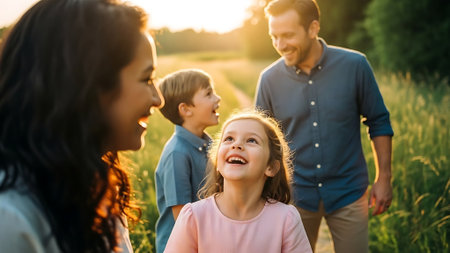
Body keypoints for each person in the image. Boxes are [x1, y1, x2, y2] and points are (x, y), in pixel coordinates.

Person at [0, 0, 163, 252]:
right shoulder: (11, 220)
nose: (158, 99)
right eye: (147, 78)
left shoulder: (96, 188)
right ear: (88, 87)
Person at [255, 0, 394, 252]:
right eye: (274, 36)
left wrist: (384, 178)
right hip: (293, 198)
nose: (279, 45)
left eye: (287, 35)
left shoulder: (355, 66)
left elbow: (379, 122)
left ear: (313, 28)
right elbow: (259, 140)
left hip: (349, 193)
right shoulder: (268, 80)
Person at [164, 110, 312, 253]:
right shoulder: (194, 217)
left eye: (251, 140)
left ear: (271, 167)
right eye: (229, 139)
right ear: (217, 160)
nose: (236, 145)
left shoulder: (286, 219)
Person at [154, 69, 221, 253]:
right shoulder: (177, 154)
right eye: (209, 94)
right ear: (185, 109)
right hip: (183, 245)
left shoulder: (209, 144)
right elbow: (182, 217)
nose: (218, 98)